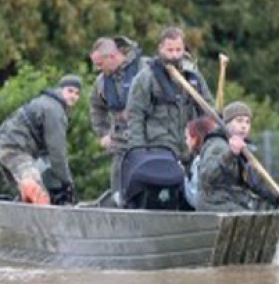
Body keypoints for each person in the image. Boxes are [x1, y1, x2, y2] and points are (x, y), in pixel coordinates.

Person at [185, 104, 279, 212]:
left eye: (247, 122)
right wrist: (230, 154)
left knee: (274, 208)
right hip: (215, 202)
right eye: (239, 121)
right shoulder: (216, 145)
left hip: (235, 198)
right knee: (249, 213)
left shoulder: (244, 149)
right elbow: (208, 176)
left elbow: (257, 183)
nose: (244, 126)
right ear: (227, 124)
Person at [126, 27, 213, 162]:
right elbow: (135, 116)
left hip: (190, 148)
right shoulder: (146, 77)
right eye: (170, 50)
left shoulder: (193, 76)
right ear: (160, 48)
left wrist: (209, 141)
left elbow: (208, 109)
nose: (174, 55)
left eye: (178, 50)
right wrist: (138, 151)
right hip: (158, 149)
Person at [0, 75, 82, 205]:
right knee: (38, 195)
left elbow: (46, 153)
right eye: (70, 91)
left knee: (27, 197)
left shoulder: (44, 102)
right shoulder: (55, 110)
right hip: (15, 149)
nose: (73, 96)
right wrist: (67, 183)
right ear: (60, 90)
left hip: (8, 146)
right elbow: (57, 152)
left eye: (77, 93)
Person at [88, 36, 147, 201]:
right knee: (117, 186)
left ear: (112, 56)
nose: (98, 69)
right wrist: (103, 133)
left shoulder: (145, 69)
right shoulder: (101, 82)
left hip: (148, 141)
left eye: (100, 64)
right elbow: (95, 107)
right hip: (120, 143)